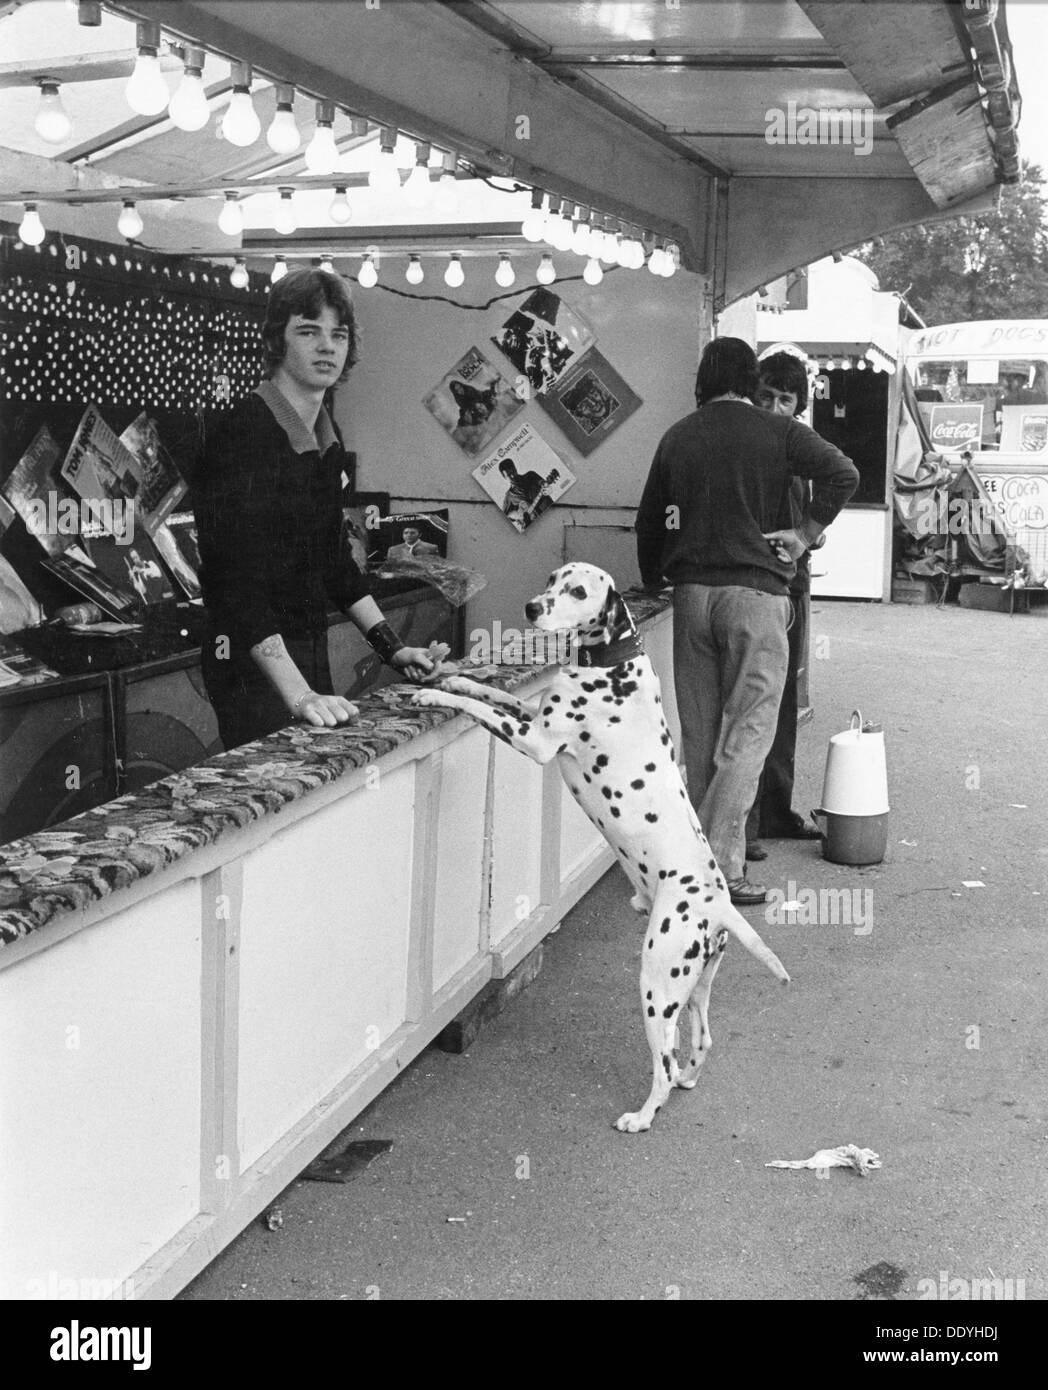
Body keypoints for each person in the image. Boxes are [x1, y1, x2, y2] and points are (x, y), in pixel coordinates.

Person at [635, 337, 858, 905]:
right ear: (749, 379)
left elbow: (650, 524)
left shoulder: (677, 436)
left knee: (702, 735)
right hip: (756, 597)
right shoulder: (776, 431)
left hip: (691, 600)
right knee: (749, 735)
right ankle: (712, 870)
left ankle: (706, 866)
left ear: (703, 380)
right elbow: (843, 473)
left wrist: (659, 575)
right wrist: (805, 534)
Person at [194, 268, 436, 751]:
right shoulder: (243, 432)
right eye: (308, 331)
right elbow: (232, 579)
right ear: (277, 342)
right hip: (250, 658)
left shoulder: (326, 437)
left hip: (306, 646)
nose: (327, 346)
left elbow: (332, 557)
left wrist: (392, 647)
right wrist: (298, 692)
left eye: (338, 334)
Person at [745, 353, 826, 862]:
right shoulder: (747, 449)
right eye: (766, 396)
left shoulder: (801, 451)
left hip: (794, 585)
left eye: (785, 399)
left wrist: (807, 536)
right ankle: (746, 824)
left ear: (799, 406)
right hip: (762, 589)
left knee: (784, 706)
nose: (774, 407)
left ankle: (777, 809)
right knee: (754, 705)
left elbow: (814, 508)